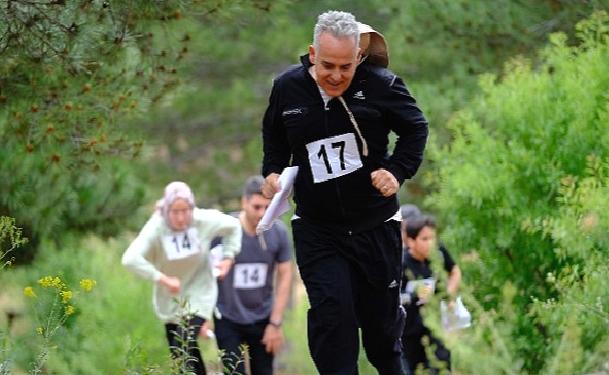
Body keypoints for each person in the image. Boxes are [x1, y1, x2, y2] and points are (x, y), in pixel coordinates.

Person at [261, 10, 429, 374]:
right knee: (333, 322)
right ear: (312, 52)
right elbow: (274, 138)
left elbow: (416, 129)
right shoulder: (287, 87)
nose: (336, 76)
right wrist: (272, 173)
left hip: (375, 226)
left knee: (383, 337)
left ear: (358, 58)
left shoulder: (381, 85)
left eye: (345, 67)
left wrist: (396, 171)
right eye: (327, 66)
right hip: (318, 230)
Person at [122, 181, 241, 375]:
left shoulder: (202, 219)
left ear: (191, 208)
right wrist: (162, 278)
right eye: (175, 212)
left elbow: (234, 225)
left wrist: (229, 256)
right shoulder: (156, 226)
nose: (180, 218)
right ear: (166, 209)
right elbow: (130, 259)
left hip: (200, 289)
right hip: (170, 295)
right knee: (181, 353)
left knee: (182, 343)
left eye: (185, 211)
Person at [209, 176, 293, 375]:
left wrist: (276, 322)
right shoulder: (223, 230)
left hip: (263, 318)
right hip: (227, 316)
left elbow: (285, 275)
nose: (262, 214)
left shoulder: (278, 232)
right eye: (256, 207)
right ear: (244, 202)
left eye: (267, 207)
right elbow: (204, 272)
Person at [401, 214, 462, 374]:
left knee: (442, 366)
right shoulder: (401, 264)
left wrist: (449, 296)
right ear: (411, 241)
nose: (431, 243)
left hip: (436, 325)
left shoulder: (438, 253)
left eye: (433, 238)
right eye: (425, 239)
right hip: (409, 332)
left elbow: (454, 271)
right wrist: (414, 295)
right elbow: (390, 298)